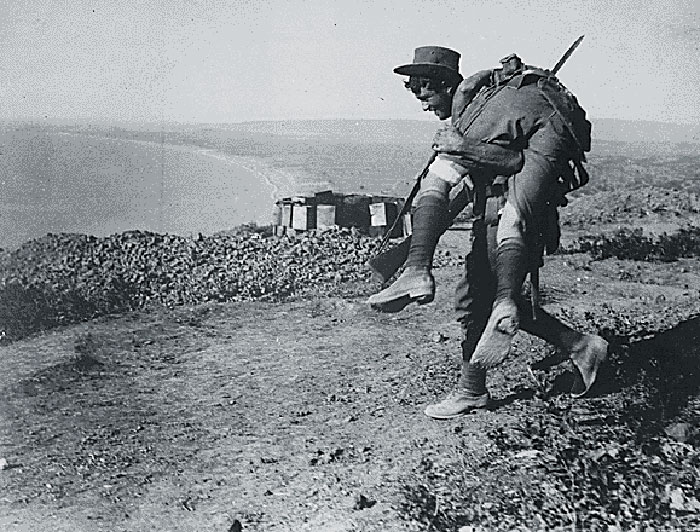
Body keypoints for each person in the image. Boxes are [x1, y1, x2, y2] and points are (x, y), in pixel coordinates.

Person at [369, 45, 608, 419]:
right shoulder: (474, 112)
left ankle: (474, 389)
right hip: (492, 214)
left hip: (515, 219)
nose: (421, 101)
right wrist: (419, 243)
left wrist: (463, 148)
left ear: (444, 84)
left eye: (422, 90)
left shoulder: (489, 113)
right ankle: (581, 347)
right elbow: (473, 180)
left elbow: (515, 162)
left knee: (479, 300)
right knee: (488, 300)